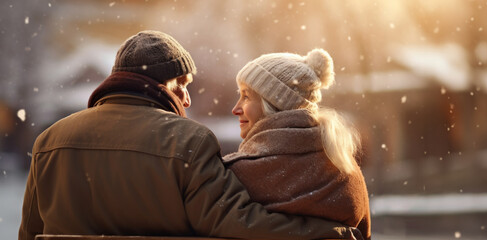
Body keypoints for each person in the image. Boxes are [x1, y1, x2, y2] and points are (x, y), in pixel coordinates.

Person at [18, 31, 364, 240]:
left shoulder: (49, 141)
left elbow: (30, 232)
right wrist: (326, 234)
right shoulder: (189, 142)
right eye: (183, 85)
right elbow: (238, 222)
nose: (186, 98)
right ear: (160, 83)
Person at [223, 49, 371, 239]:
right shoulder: (345, 169)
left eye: (246, 96)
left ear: (275, 104)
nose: (236, 109)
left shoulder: (239, 174)